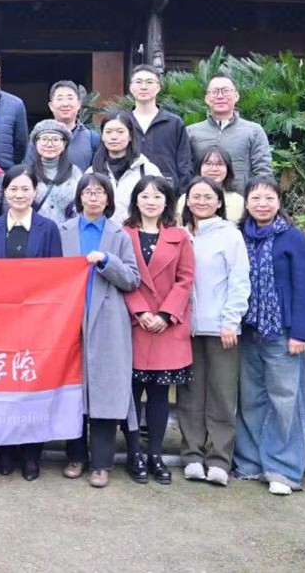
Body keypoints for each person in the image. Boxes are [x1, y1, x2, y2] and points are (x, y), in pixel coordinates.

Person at [232, 176, 305, 495]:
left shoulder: (292, 237)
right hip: (248, 329)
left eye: (269, 198)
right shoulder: (239, 234)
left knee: (285, 398)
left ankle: (283, 469)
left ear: (279, 202)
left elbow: (304, 286)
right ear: (246, 202)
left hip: (282, 331)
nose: (262, 204)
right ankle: (251, 462)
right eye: (256, 198)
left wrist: (299, 333)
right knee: (251, 397)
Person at [61, 172, 141, 488]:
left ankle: (101, 464)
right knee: (73, 390)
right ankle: (75, 456)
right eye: (88, 192)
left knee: (106, 390)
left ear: (109, 199)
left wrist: (107, 261)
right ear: (79, 196)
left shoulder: (119, 235)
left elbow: (132, 279)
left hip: (108, 320)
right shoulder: (63, 231)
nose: (93, 197)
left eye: (99, 192)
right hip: (69, 319)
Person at [0, 165, 63, 481]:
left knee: (33, 387)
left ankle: (32, 454)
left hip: (36, 322)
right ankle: (4, 450)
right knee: (1, 386)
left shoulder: (48, 228)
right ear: (5, 192)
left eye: (25, 189)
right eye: (13, 189)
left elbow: (57, 277)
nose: (19, 194)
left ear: (35, 192)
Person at [176, 176, 251, 487]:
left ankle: (219, 459)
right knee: (190, 394)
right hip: (186, 328)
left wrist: (231, 321)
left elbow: (239, 280)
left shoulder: (230, 235)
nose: (202, 201)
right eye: (196, 196)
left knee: (222, 393)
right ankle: (192, 455)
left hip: (221, 328)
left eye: (208, 196)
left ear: (219, 201)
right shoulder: (180, 234)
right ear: (187, 201)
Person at [122, 175, 195, 485]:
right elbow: (120, 276)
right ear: (135, 200)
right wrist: (141, 311)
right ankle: (133, 453)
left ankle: (155, 454)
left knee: (159, 395)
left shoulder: (180, 236)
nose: (150, 201)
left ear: (167, 202)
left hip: (166, 325)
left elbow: (185, 279)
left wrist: (165, 314)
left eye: (157, 196)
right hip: (134, 324)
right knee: (130, 394)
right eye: (145, 196)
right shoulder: (123, 234)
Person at [187, 73, 272, 190]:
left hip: (240, 198)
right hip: (202, 198)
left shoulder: (254, 131)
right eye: (215, 92)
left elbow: (263, 172)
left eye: (226, 91)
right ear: (206, 98)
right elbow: (185, 171)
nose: (220, 96)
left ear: (236, 96)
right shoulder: (191, 132)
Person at [89, 109, 161, 225]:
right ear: (102, 136)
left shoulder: (147, 170)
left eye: (120, 132)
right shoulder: (92, 172)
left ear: (130, 136)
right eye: (108, 132)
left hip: (137, 231)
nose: (114, 137)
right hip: (101, 232)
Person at [127, 66, 193, 191]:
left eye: (149, 82)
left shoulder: (174, 122)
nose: (144, 87)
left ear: (158, 87)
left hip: (167, 190)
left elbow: (184, 162)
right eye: (138, 82)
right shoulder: (122, 122)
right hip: (129, 189)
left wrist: (183, 194)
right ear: (131, 87)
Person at [23, 80, 99, 170]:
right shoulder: (39, 138)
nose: (65, 104)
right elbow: (28, 171)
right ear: (51, 106)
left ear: (79, 104)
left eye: (70, 98)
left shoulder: (92, 139)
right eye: (60, 99)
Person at [27, 119, 83, 228]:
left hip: (67, 232)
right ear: (36, 143)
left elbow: (80, 207)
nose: (49, 144)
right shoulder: (27, 173)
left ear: (64, 143)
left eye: (55, 139)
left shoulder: (75, 173)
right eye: (44, 139)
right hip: (35, 232)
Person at [175, 147, 244, 224]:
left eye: (220, 164)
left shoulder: (238, 200)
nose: (214, 169)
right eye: (208, 163)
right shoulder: (185, 198)